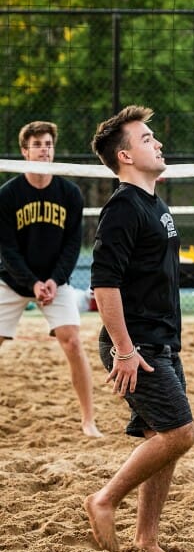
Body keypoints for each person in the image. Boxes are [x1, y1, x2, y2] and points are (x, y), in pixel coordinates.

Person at [84, 106, 194, 552]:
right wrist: (125, 351)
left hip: (163, 341)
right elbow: (103, 283)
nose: (158, 143)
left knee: (161, 439)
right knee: (180, 433)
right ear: (125, 156)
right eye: (147, 138)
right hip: (137, 345)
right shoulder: (122, 208)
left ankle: (145, 539)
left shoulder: (155, 202)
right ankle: (104, 500)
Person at [0, 121, 101, 438]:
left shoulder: (69, 193)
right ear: (24, 151)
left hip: (55, 281)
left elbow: (73, 246)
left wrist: (55, 281)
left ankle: (88, 421)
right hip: (14, 280)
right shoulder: (8, 194)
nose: (44, 149)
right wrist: (31, 283)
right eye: (37, 144)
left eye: (48, 144)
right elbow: (8, 249)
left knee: (72, 341)